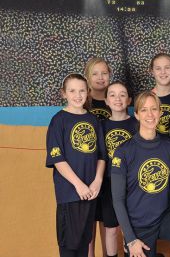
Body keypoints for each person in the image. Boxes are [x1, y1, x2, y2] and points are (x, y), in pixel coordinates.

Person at [111, 91, 170, 257]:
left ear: (160, 112)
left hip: (166, 216)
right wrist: (130, 239)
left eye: (154, 109)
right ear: (136, 115)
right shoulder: (123, 151)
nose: (150, 114)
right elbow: (117, 200)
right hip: (139, 224)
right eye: (144, 110)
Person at [46, 73, 106, 257]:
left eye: (81, 90)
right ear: (63, 93)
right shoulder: (59, 121)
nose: (77, 95)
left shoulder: (93, 120)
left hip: (90, 192)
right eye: (72, 91)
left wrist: (97, 181)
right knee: (69, 247)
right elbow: (57, 158)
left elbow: (101, 156)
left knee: (83, 244)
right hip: (70, 193)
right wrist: (78, 184)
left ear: (88, 93)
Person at [101, 81, 137, 257]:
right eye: (113, 95)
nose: (117, 99)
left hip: (132, 183)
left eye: (122, 95)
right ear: (106, 100)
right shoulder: (101, 126)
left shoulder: (136, 124)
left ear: (129, 100)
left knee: (131, 227)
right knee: (111, 229)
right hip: (110, 183)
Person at [84, 57, 112, 257]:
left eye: (104, 73)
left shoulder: (114, 99)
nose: (100, 78)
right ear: (87, 76)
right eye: (95, 73)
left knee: (107, 220)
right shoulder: (83, 102)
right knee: (88, 221)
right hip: (86, 170)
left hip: (110, 171)